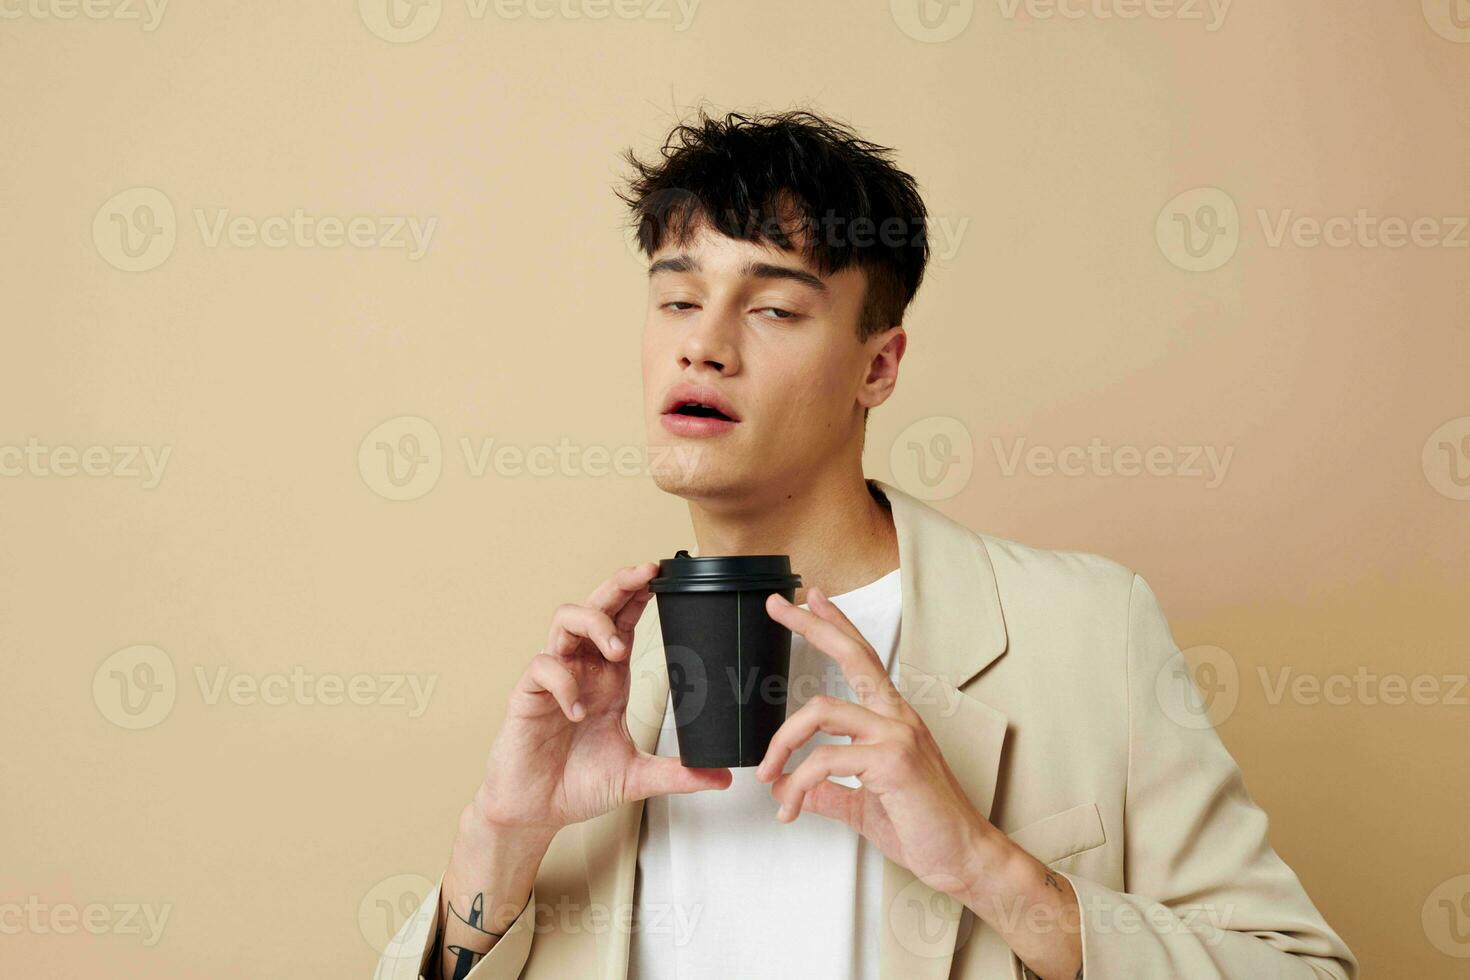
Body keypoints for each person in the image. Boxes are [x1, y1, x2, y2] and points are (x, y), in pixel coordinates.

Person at [376, 109, 1357, 980]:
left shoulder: (1090, 630)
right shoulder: (598, 680)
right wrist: (499, 845)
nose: (702, 344)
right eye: (678, 298)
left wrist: (984, 863)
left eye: (771, 307)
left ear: (878, 366)